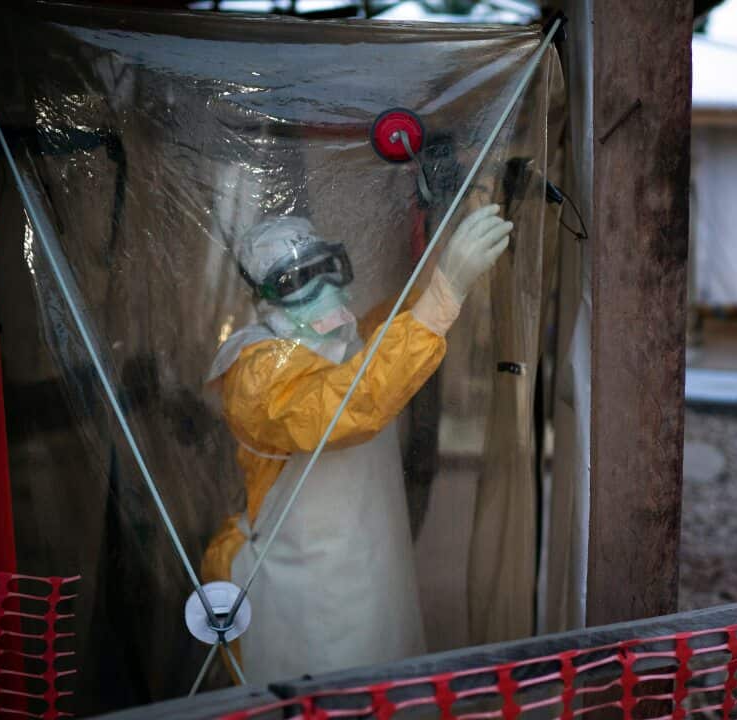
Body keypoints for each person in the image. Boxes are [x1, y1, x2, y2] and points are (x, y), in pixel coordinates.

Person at [201, 205, 512, 685]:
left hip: (369, 563)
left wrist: (437, 256)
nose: (324, 288)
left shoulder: (339, 338)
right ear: (262, 294)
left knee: (385, 676)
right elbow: (343, 404)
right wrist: (444, 294)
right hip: (307, 582)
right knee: (323, 691)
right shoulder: (255, 372)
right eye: (298, 278)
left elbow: (387, 335)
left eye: (328, 267)